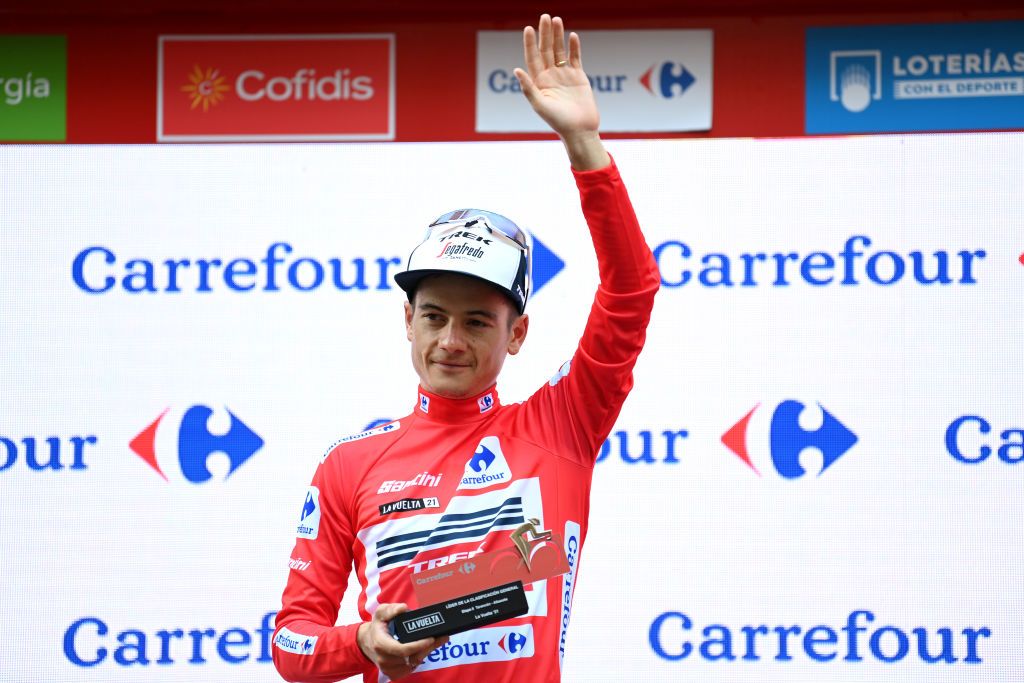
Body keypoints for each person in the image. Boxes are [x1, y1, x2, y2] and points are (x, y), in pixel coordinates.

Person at [272, 14, 660, 683]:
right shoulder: (349, 463)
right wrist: (363, 641)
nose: (449, 340)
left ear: (518, 333)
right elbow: (291, 644)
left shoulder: (561, 424)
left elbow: (632, 288)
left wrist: (584, 143)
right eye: (434, 316)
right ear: (408, 319)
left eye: (477, 321)